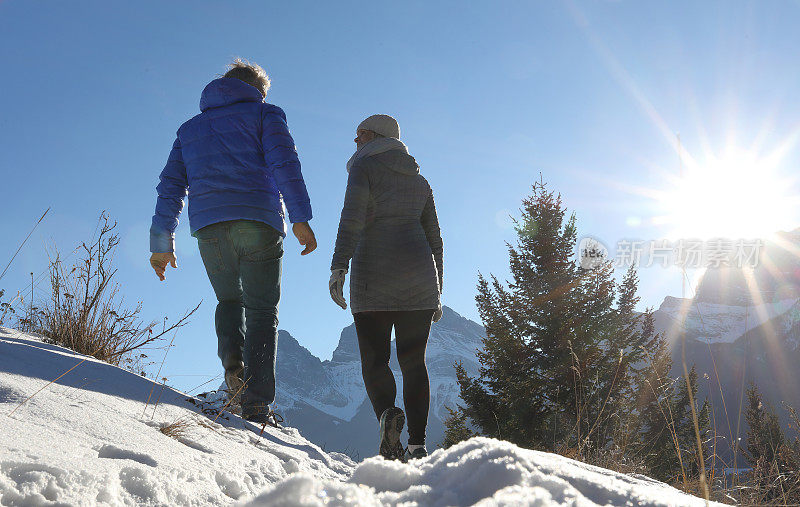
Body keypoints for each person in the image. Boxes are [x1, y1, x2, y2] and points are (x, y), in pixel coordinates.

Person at [149, 59, 316, 426]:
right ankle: (256, 402)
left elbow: (171, 188)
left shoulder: (189, 129)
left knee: (229, 300)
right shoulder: (265, 114)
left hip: (209, 229)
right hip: (257, 222)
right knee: (261, 311)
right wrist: (301, 218)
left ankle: (233, 373)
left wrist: (161, 243)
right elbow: (285, 165)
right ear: (257, 91)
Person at [330, 114, 443, 461]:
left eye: (359, 135)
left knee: (375, 361)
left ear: (376, 137)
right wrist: (440, 288)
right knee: (414, 363)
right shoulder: (420, 181)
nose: (355, 142)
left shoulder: (363, 171)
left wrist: (339, 265)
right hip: (420, 280)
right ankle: (418, 443)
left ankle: (387, 419)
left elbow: (351, 219)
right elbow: (434, 238)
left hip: (372, 279)